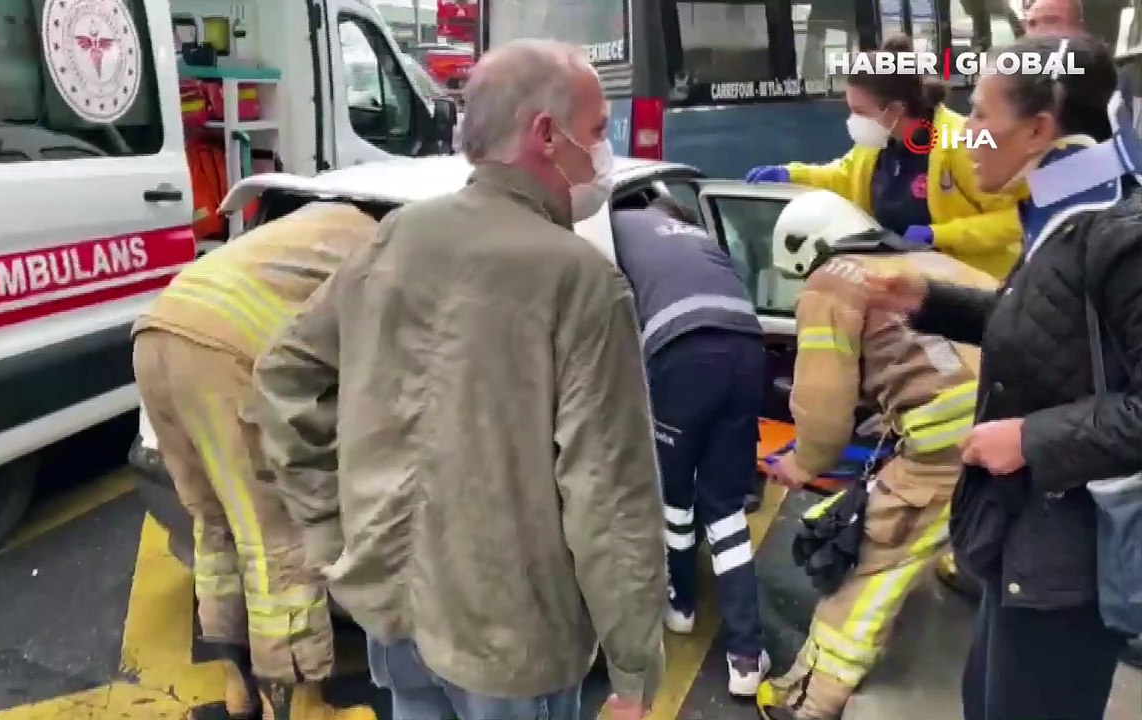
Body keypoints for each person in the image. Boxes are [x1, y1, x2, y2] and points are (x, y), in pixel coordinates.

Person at [251, 39, 667, 720]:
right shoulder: (581, 281)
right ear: (545, 134)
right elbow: (611, 497)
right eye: (597, 131)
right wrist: (633, 671)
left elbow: (285, 377)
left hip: (394, 613)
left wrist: (336, 536)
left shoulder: (397, 237)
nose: (604, 151)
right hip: (512, 645)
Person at [865, 35, 1139, 720]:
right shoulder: (1064, 206)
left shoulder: (1115, 230)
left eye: (983, 117)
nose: (968, 136)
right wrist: (926, 301)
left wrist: (1028, 439)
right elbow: (1048, 329)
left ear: (1040, 129)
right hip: (1023, 548)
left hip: (1069, 567)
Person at [755, 189, 999, 720]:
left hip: (945, 441)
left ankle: (808, 698)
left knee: (873, 557)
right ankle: (971, 565)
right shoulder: (932, 262)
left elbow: (823, 403)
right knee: (984, 505)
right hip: (1015, 422)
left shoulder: (829, 283)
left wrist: (805, 462)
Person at [132, 203, 379, 720]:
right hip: (225, 357)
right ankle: (301, 705)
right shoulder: (382, 249)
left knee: (217, 524)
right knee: (279, 538)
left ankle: (237, 687)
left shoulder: (310, 220)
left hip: (155, 334)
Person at [610, 195, 768, 697]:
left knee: (675, 496)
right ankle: (746, 655)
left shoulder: (614, 225)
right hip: (748, 351)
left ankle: (680, 605)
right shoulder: (704, 243)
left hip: (682, 353)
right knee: (724, 508)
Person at [744, 35, 1024, 281]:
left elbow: (1013, 220)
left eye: (860, 111)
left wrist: (939, 235)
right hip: (906, 288)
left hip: (974, 290)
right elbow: (842, 176)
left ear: (895, 110)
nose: (853, 120)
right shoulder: (875, 145)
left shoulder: (961, 144)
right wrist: (791, 174)